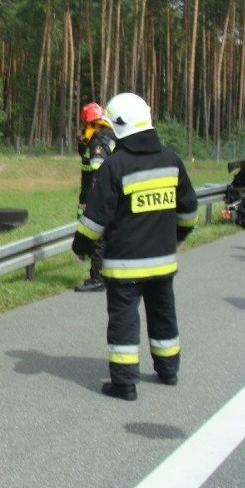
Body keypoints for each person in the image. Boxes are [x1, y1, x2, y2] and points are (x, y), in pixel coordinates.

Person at [72, 92, 198, 401]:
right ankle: (168, 370)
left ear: (118, 126)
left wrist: (82, 245)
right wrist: (177, 237)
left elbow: (95, 217)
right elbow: (190, 210)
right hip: (163, 260)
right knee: (164, 314)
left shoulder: (116, 165)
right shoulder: (171, 159)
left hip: (124, 263)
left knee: (124, 320)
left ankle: (124, 384)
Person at [74, 102, 116, 292]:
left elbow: (97, 173)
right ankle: (106, 274)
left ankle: (97, 278)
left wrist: (92, 202)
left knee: (97, 235)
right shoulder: (107, 137)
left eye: (85, 124)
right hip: (103, 195)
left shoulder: (98, 142)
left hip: (97, 196)